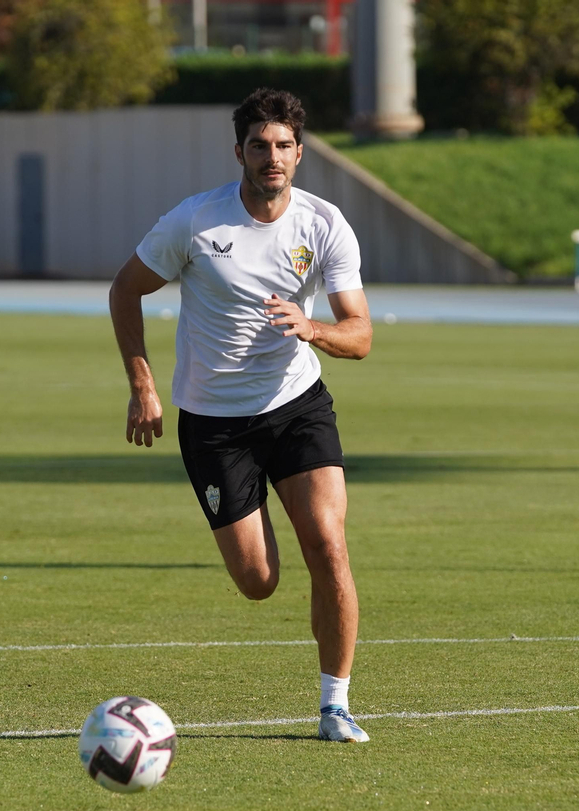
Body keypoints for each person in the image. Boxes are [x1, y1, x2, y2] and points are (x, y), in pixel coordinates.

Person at [108, 88, 374, 743]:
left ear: (301, 153)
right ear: (240, 153)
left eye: (284, 145)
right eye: (260, 145)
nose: (272, 157)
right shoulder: (195, 223)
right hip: (214, 423)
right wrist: (142, 385)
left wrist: (311, 327)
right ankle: (256, 517)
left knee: (329, 547)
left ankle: (335, 707)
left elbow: (360, 335)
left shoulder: (324, 224)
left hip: (296, 408)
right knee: (258, 582)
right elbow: (125, 289)